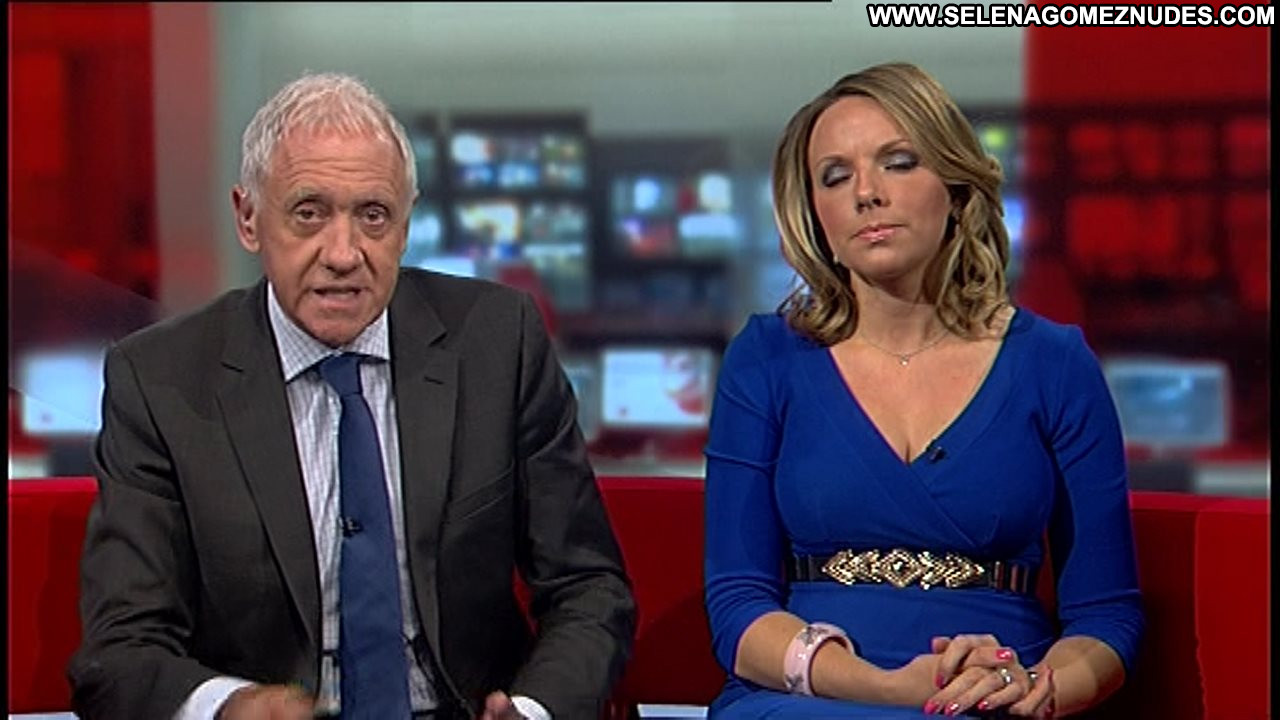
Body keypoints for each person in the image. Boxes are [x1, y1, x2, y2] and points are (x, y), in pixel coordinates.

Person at [69, 72, 635, 720]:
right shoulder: (160, 380)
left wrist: (532, 711)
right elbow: (120, 650)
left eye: (373, 216)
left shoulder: (499, 343)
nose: (344, 253)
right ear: (249, 219)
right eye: (309, 212)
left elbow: (589, 588)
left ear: (406, 223)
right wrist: (229, 708)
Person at [702, 62, 1142, 718]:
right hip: (809, 696)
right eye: (835, 176)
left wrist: (1034, 687)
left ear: (956, 187)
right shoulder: (765, 359)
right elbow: (738, 607)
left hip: (994, 695)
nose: (867, 193)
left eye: (899, 162)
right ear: (815, 215)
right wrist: (887, 687)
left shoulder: (1054, 363)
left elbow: (1106, 617)